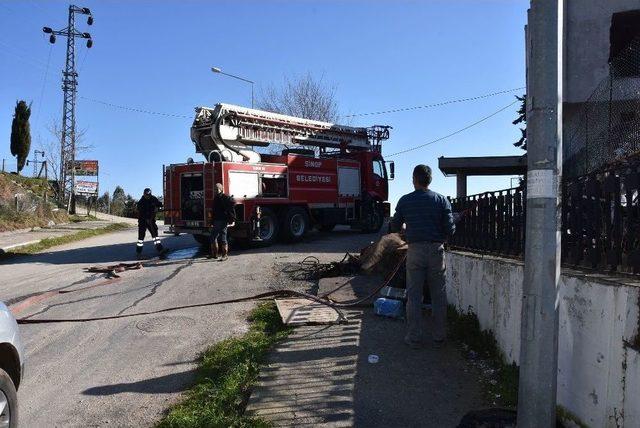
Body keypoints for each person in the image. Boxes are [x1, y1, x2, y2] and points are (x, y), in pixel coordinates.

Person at [390, 164, 455, 349]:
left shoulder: (405, 200)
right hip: (436, 251)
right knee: (438, 295)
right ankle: (439, 335)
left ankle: (414, 336)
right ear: (430, 180)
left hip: (415, 251)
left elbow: (395, 226)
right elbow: (450, 229)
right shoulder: (442, 200)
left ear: (414, 179)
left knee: (414, 296)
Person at [209, 183, 235, 261]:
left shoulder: (226, 197)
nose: (215, 190)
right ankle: (215, 255)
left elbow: (232, 205)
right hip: (216, 221)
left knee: (223, 238)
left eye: (217, 189)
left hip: (223, 221)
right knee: (213, 237)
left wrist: (231, 219)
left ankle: (224, 255)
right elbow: (214, 211)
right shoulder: (216, 198)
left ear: (221, 189)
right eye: (215, 189)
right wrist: (212, 222)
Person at [136, 188, 164, 257]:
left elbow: (159, 204)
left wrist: (160, 207)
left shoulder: (153, 199)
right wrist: (146, 219)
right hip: (143, 221)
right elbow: (141, 212)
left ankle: (160, 250)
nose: (148, 196)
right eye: (146, 195)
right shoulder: (141, 202)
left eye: (149, 195)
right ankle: (138, 252)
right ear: (144, 194)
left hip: (151, 221)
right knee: (141, 238)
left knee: (155, 236)